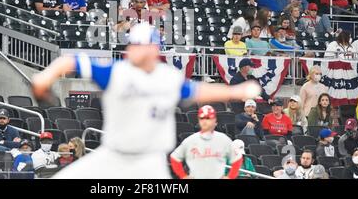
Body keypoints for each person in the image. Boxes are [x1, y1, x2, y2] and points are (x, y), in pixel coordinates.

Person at [31, 22, 261, 178]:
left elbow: (199, 91)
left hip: (149, 163)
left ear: (154, 48)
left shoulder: (168, 77)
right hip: (112, 155)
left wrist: (236, 92)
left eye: (141, 45)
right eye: (133, 44)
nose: (135, 49)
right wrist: (45, 77)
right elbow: (71, 61)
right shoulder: (117, 72)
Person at [170, 105, 242, 179]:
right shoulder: (190, 140)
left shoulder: (224, 139)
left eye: (208, 118)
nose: (205, 121)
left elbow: (237, 159)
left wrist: (230, 177)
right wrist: (183, 176)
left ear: (214, 120)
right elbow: (174, 158)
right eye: (202, 118)